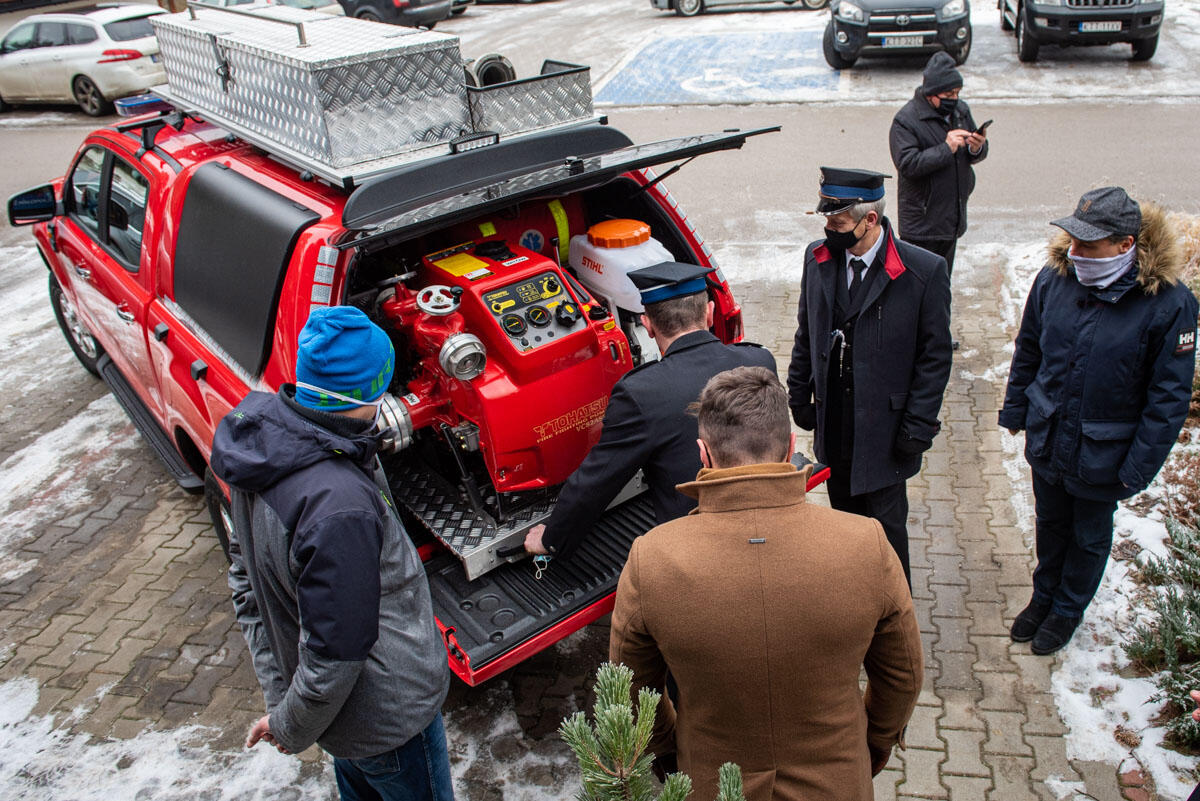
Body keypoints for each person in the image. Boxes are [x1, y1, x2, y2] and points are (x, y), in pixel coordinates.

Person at [610, 366, 923, 801]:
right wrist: (871, 740)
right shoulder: (864, 542)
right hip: (838, 780)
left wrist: (668, 747)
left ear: (703, 453)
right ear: (791, 447)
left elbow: (628, 690)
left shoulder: (652, 557)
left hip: (711, 784)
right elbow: (902, 675)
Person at [210, 306, 454, 801]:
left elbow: (246, 586)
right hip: (389, 722)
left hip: (348, 729)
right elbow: (335, 653)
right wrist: (290, 723)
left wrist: (284, 699)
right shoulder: (338, 508)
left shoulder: (265, 447)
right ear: (375, 387)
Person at [1000, 187, 1198, 655]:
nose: (1076, 252)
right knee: (1050, 523)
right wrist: (1016, 408)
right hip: (1050, 435)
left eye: (1089, 245)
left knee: (1088, 536)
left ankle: (1068, 609)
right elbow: (1029, 348)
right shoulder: (1055, 280)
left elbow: (1167, 399)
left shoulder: (1169, 304)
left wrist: (1137, 468)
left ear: (1125, 245)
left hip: (1105, 452)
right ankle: (1043, 595)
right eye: (1073, 240)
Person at [524, 261, 776, 558]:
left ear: (648, 325)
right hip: (767, 520)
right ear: (709, 313)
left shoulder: (641, 393)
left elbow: (598, 480)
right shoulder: (760, 361)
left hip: (698, 546)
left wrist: (552, 538)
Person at [787, 167, 953, 585]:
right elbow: (807, 330)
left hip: (887, 433)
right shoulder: (817, 258)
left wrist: (918, 423)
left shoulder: (923, 272)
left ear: (871, 220)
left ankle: (896, 620)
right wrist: (798, 391)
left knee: (885, 530)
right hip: (836, 422)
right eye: (826, 218)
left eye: (838, 220)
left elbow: (934, 358)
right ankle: (856, 602)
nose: (829, 227)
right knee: (846, 525)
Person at [889, 51, 988, 282]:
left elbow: (973, 156)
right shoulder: (906, 121)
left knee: (941, 284)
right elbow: (908, 164)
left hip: (951, 219)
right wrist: (946, 148)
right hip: (921, 226)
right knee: (917, 287)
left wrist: (977, 147)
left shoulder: (960, 111)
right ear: (931, 93)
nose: (953, 99)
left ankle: (939, 319)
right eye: (948, 94)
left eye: (957, 93)